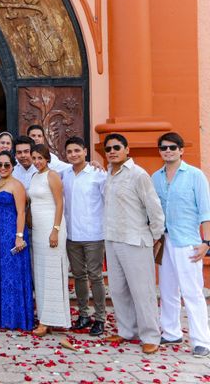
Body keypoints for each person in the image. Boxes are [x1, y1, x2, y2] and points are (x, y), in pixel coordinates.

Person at [102, 133, 164, 354]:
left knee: (142, 290)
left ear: (127, 149)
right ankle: (127, 330)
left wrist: (156, 235)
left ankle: (151, 336)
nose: (112, 151)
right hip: (112, 238)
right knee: (118, 290)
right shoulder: (109, 173)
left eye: (116, 147)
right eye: (108, 148)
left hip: (135, 240)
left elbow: (154, 208)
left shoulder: (138, 175)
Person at [152, 132, 210, 357]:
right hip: (164, 241)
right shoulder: (155, 177)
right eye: (164, 147)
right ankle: (171, 332)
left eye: (172, 147)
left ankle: (201, 340)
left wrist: (207, 242)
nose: (168, 151)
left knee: (192, 292)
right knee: (167, 290)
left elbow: (206, 211)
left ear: (181, 150)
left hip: (187, 242)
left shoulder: (195, 175)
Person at [62, 136, 107, 336]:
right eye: (70, 152)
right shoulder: (65, 175)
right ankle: (83, 314)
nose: (73, 155)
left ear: (85, 151)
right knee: (79, 276)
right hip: (72, 234)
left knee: (96, 276)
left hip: (94, 233)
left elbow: (109, 200)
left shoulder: (98, 174)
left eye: (77, 151)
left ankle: (100, 318)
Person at [0, 151, 34, 330]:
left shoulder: (17, 185)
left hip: (12, 233)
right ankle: (0, 317)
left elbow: (21, 212)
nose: (3, 168)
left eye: (7, 165)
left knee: (13, 275)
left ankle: (16, 318)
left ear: (13, 166)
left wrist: (19, 236)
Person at [28, 144, 71, 336]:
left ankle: (48, 321)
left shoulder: (52, 175)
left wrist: (55, 230)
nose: (37, 162)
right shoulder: (34, 176)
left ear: (47, 159)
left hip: (51, 227)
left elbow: (60, 203)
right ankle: (47, 317)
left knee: (52, 272)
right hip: (37, 229)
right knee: (41, 273)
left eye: (40, 158)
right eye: (34, 158)